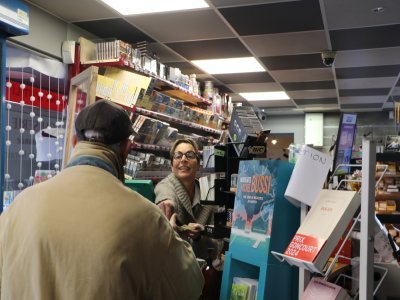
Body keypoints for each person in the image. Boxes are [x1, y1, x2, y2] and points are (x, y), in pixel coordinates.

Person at [0, 99, 204, 300]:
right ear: (126, 149)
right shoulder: (145, 218)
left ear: (73, 143)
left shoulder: (18, 207)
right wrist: (170, 233)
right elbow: (191, 285)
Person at [155, 138, 221, 260]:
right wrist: (167, 204)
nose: (183, 160)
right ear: (171, 165)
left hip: (200, 272)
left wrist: (200, 237)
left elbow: (216, 248)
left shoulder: (209, 194)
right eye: (178, 156)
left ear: (198, 165)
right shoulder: (165, 186)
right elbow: (164, 192)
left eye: (190, 155)